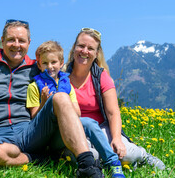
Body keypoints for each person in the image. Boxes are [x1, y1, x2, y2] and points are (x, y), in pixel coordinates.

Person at [0, 20, 104, 178]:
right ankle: (39, 159)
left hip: (29, 130)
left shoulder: (37, 67)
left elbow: (63, 71)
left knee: (60, 97)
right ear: (2, 40)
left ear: (29, 43)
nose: (16, 45)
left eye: (22, 40)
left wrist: (98, 74)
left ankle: (87, 165)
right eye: (11, 39)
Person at [65, 28, 165, 170]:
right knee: (87, 157)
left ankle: (141, 154)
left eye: (90, 48)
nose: (84, 51)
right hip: (75, 129)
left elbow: (113, 112)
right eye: (81, 46)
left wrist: (117, 139)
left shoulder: (101, 76)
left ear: (96, 54)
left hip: (102, 128)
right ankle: (116, 163)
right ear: (74, 47)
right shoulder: (62, 75)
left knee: (124, 154)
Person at [26, 40, 125, 178]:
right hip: (49, 137)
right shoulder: (34, 87)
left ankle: (113, 163)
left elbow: (77, 113)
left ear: (61, 64)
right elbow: (34, 119)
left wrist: (63, 102)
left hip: (65, 131)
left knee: (90, 123)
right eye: (45, 63)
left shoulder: (67, 85)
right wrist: (44, 102)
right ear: (39, 65)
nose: (50, 67)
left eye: (54, 62)